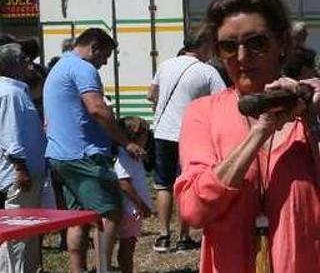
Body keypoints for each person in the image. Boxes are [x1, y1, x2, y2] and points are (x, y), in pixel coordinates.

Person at [176, 0, 320, 272]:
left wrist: (311, 120)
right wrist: (260, 131)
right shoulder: (203, 114)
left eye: (256, 43)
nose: (241, 57)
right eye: (228, 46)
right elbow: (194, 210)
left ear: (282, 44)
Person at [44, 28, 140, 273]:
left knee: (80, 219)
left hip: (60, 154)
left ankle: (79, 269)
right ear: (94, 47)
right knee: (109, 212)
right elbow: (96, 107)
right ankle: (104, 268)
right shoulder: (83, 69)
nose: (104, 62)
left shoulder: (60, 67)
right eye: (104, 56)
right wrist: (125, 141)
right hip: (85, 154)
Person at [146, 38, 227, 253]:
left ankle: (163, 236)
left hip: (162, 131)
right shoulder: (207, 71)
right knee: (185, 185)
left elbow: (150, 94)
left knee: (163, 184)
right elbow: (223, 101)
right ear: (203, 47)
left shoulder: (165, 65)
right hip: (189, 133)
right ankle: (184, 237)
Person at [0, 44, 45, 273]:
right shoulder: (10, 92)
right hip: (19, 174)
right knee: (18, 234)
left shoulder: (18, 90)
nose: (31, 61)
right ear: (10, 64)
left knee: (27, 234)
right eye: (24, 57)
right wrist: (20, 167)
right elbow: (10, 132)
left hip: (26, 171)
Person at [112, 117, 154, 273]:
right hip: (130, 209)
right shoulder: (124, 156)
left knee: (129, 246)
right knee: (127, 248)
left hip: (133, 209)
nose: (148, 138)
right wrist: (141, 204)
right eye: (146, 134)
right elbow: (124, 183)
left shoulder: (134, 157)